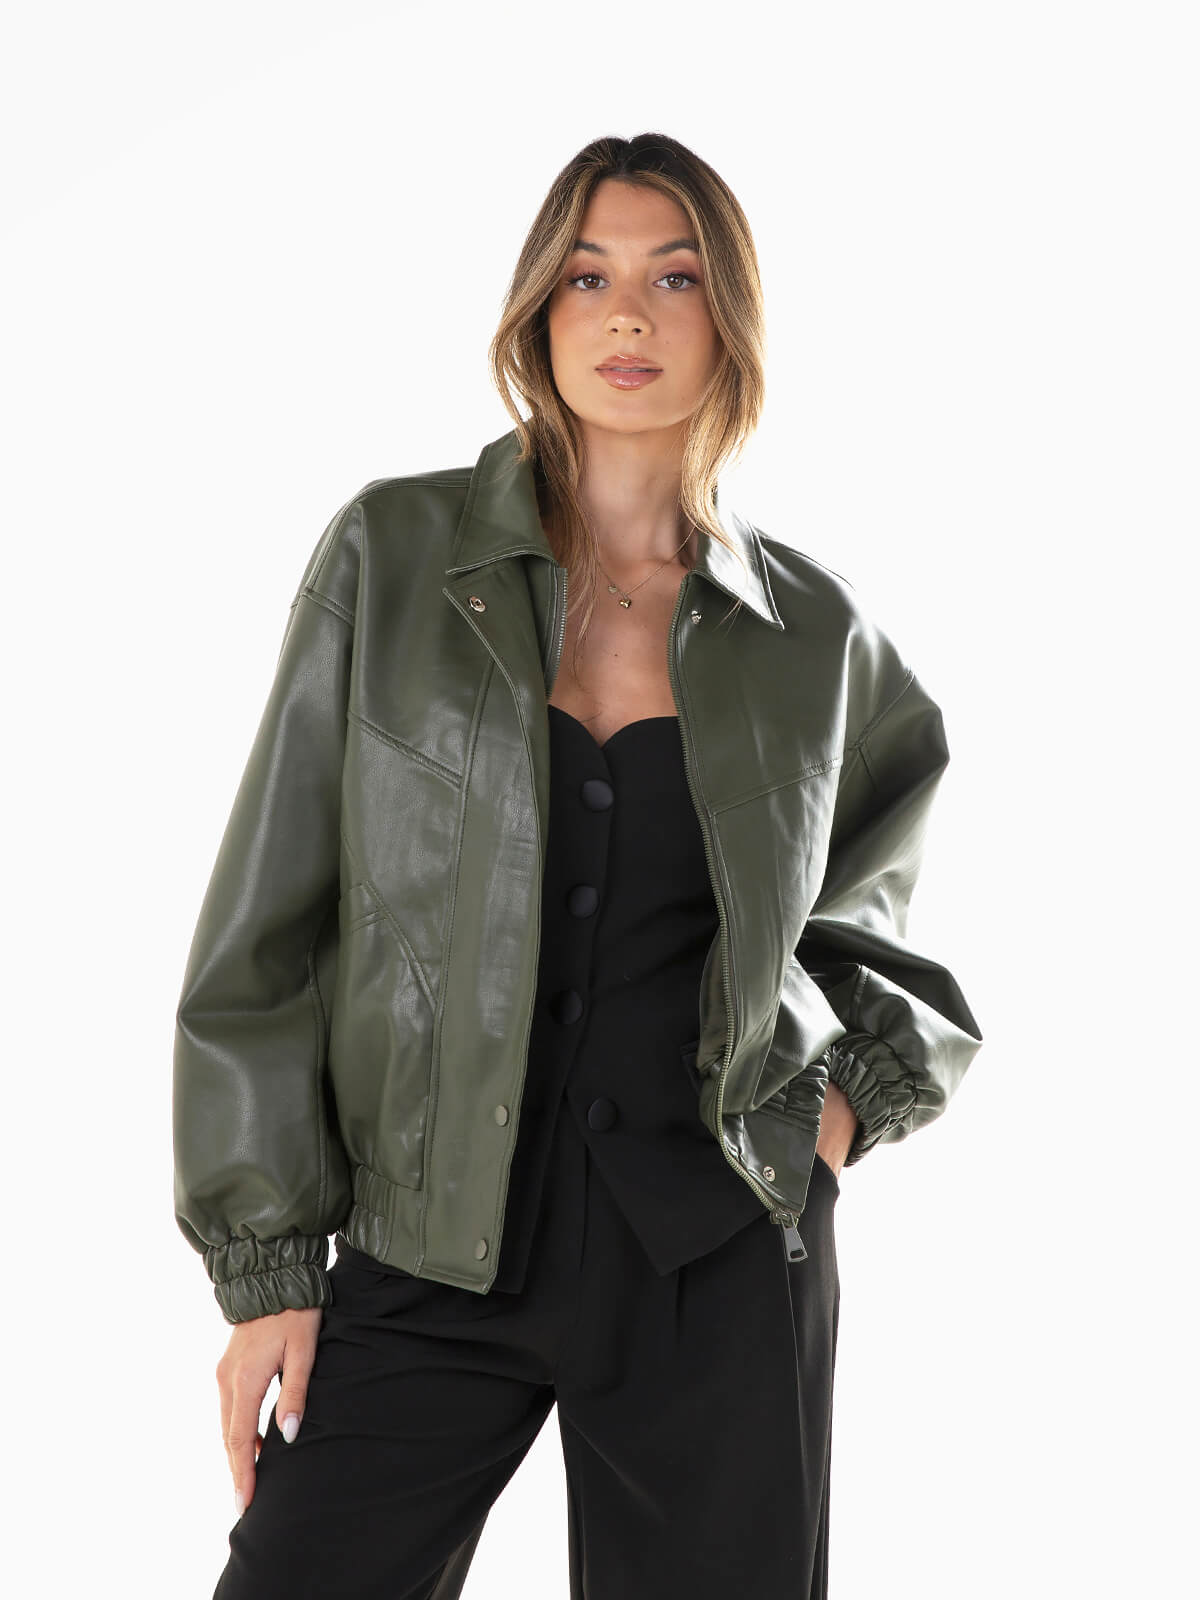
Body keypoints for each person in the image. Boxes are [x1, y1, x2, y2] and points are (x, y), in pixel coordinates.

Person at [173, 132, 984, 1599]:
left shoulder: (816, 641)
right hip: (430, 1249)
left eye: (674, 278)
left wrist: (828, 1127)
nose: (628, 316)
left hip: (713, 1267)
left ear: (729, 317)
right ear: (538, 311)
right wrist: (267, 1271)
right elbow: (267, 923)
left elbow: (891, 943)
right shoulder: (393, 558)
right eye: (589, 277)